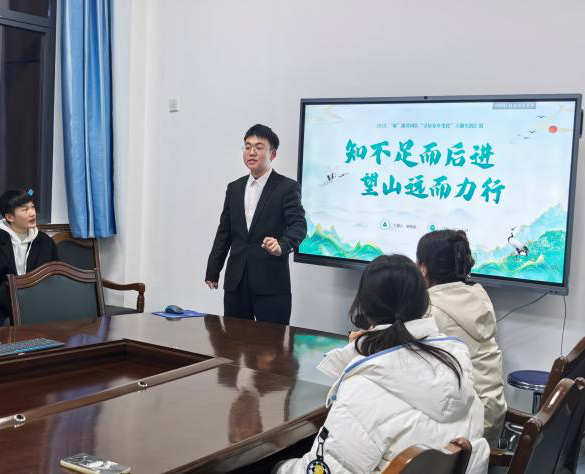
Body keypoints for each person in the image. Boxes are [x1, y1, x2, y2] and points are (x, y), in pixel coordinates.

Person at [274, 255, 488, 474]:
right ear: (424, 303)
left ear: (365, 310)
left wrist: (281, 467)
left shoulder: (365, 389)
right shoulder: (454, 365)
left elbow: (323, 469)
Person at [205, 124, 306, 325]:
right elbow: (224, 231)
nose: (251, 152)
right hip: (236, 282)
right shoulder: (234, 188)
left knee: (271, 342)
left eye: (259, 147)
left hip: (271, 284)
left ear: (273, 154)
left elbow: (299, 225)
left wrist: (282, 245)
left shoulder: (287, 187)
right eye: (247, 146)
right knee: (233, 339)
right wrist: (213, 269)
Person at [416, 229, 507, 445]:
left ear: (424, 269)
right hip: (492, 417)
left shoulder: (429, 310)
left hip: (465, 432)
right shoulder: (477, 297)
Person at [0, 189, 58, 328]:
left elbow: (56, 278)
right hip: (4, 308)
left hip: (42, 306)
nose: (32, 213)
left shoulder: (45, 242)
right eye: (25, 210)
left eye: (32, 207)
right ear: (10, 217)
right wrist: (16, 299)